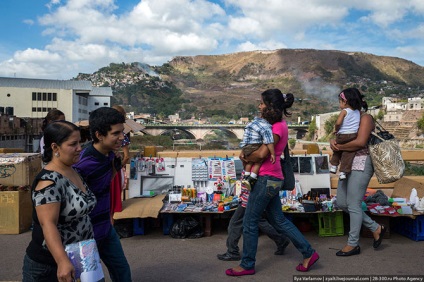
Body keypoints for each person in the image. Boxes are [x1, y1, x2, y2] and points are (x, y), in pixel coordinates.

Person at [226, 89, 319, 276]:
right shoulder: (278, 125)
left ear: (269, 106)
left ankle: (247, 264)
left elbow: (261, 154)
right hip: (272, 178)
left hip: (266, 178)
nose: (259, 106)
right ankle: (309, 253)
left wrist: (244, 154)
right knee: (278, 220)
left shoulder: (276, 128)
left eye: (261, 103)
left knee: (250, 222)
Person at [22, 120, 98, 281]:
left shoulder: (72, 170)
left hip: (82, 255)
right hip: (50, 265)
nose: (79, 148)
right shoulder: (48, 182)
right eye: (73, 144)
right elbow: (47, 224)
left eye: (79, 142)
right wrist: (62, 261)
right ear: (55, 147)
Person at [73, 107, 132, 281]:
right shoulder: (82, 164)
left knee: (122, 270)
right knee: (93, 278)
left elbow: (105, 185)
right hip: (86, 235)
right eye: (116, 133)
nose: (122, 137)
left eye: (122, 132)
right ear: (99, 135)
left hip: (105, 228)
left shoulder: (110, 156)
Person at [330, 88, 386, 256]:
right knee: (341, 202)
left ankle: (353, 244)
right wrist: (334, 141)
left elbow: (361, 142)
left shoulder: (365, 118)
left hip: (362, 162)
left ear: (349, 101)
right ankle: (375, 228)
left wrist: (338, 147)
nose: (341, 104)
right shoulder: (347, 118)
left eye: (342, 100)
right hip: (347, 164)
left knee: (353, 204)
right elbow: (339, 136)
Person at [217, 183, 290, 261]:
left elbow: (250, 182)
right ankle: (281, 240)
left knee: (234, 224)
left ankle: (232, 252)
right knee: (259, 221)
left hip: (248, 200)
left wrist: (244, 199)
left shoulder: (252, 170)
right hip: (254, 199)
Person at [329, 91, 361, 180]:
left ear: (345, 102)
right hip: (353, 135)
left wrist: (336, 129)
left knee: (337, 149)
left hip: (342, 135)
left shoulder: (344, 111)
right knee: (348, 153)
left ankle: (334, 166)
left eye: (340, 102)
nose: (339, 105)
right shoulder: (357, 112)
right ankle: (343, 172)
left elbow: (338, 123)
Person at [239, 116, 275, 190]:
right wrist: (272, 153)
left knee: (249, 162)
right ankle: (251, 179)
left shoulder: (251, 124)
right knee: (258, 162)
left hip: (245, 147)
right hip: (254, 145)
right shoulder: (265, 126)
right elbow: (269, 141)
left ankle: (246, 177)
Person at [110, 105, 131, 217]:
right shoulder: (122, 134)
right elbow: (126, 156)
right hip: (114, 169)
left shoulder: (105, 132)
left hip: (108, 169)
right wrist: (119, 167)